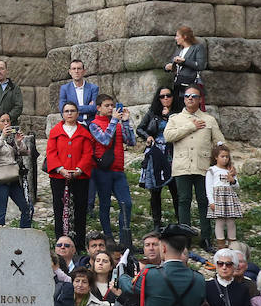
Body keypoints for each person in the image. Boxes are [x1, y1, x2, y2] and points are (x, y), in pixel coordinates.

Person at [164, 85, 226, 249]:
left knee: (204, 201)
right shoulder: (175, 118)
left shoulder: (209, 119)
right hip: (182, 166)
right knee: (183, 201)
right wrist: (191, 126)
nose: (190, 98)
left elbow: (220, 143)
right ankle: (184, 239)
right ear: (183, 99)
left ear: (200, 100)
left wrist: (222, 163)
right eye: (187, 96)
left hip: (203, 166)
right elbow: (168, 136)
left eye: (193, 96)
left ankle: (206, 238)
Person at [88, 95, 135, 247]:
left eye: (112, 106)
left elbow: (131, 141)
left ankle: (125, 239)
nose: (110, 108)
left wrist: (126, 121)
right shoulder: (93, 124)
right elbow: (105, 140)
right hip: (102, 170)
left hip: (118, 170)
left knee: (126, 204)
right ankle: (108, 237)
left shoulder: (118, 124)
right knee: (105, 204)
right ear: (98, 108)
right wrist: (115, 121)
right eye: (107, 105)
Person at [46, 103, 94, 241]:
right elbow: (51, 152)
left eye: (72, 111)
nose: (69, 113)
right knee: (59, 207)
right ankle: (60, 239)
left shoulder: (84, 132)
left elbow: (87, 153)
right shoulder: (56, 131)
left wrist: (79, 170)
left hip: (80, 176)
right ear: (62, 114)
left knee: (80, 207)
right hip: (59, 176)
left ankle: (79, 241)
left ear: (77, 114)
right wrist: (61, 169)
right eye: (66, 111)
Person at [136, 87, 177, 230]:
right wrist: (148, 137)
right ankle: (156, 223)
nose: (165, 98)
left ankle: (181, 222)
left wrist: (171, 115)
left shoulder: (178, 113)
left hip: (173, 153)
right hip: (156, 152)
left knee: (175, 189)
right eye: (162, 96)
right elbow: (140, 128)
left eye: (168, 95)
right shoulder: (152, 112)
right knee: (155, 189)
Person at [0, 112, 33, 228]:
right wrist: (2, 138)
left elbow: (25, 152)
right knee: (1, 211)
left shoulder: (12, 139)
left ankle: (24, 234)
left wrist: (19, 142)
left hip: (13, 176)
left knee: (27, 207)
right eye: (3, 121)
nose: (6, 123)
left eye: (8, 121)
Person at [203, 144, 244, 248]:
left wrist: (232, 180)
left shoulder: (231, 171)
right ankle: (221, 245)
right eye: (222, 156)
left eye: (227, 156)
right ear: (216, 157)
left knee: (231, 222)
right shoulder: (212, 170)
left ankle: (232, 245)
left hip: (229, 198)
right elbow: (208, 187)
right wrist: (211, 201)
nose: (225, 159)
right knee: (220, 222)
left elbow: (237, 186)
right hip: (218, 199)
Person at [165, 26, 208, 91]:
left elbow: (200, 65)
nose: (175, 38)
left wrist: (185, 61)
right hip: (177, 83)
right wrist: (168, 67)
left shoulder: (197, 48)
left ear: (185, 36)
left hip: (190, 84)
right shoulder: (179, 50)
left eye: (177, 36)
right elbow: (172, 64)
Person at [58, 58, 99, 125]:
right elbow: (62, 109)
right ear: (70, 72)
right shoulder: (65, 89)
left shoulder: (93, 88)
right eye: (74, 69)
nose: (76, 71)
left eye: (79, 68)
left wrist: (72, 109)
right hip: (73, 124)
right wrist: (87, 107)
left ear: (84, 71)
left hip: (91, 125)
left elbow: (94, 108)